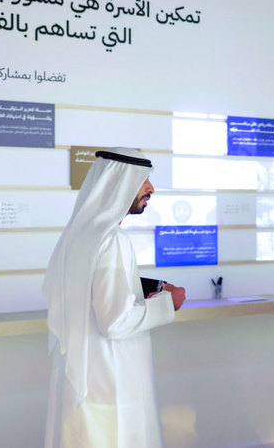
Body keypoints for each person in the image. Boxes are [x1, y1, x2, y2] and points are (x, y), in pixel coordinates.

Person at [43, 147, 186, 447]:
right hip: (110, 380)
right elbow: (115, 321)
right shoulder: (113, 239)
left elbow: (88, 285)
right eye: (142, 180)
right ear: (117, 183)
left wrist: (147, 286)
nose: (151, 188)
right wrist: (167, 304)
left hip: (82, 380)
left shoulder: (81, 234)